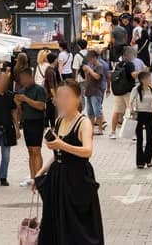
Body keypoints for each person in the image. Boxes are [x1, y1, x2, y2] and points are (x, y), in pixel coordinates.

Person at [35, 80, 104, 245]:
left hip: (78, 180)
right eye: (59, 96)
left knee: (78, 229)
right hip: (58, 178)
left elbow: (88, 151)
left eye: (67, 96)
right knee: (55, 224)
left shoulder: (83, 123)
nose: (63, 101)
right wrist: (42, 170)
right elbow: (58, 153)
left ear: (78, 99)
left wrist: (62, 145)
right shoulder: (59, 120)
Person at [15, 68, 48, 187]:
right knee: (30, 151)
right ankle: (32, 176)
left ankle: (38, 177)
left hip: (37, 121)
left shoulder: (39, 90)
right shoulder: (22, 90)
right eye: (21, 79)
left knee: (36, 150)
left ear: (30, 77)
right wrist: (18, 104)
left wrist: (26, 99)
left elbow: (41, 106)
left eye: (24, 78)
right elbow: (20, 111)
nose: (23, 81)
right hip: (27, 122)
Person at [109, 46, 141, 139]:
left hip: (119, 91)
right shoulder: (130, 64)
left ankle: (113, 132)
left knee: (117, 111)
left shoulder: (119, 64)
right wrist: (141, 72)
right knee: (132, 112)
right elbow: (133, 75)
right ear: (128, 54)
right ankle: (134, 134)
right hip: (128, 92)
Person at [130, 71, 152, 169]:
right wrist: (132, 111)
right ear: (142, 80)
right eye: (148, 78)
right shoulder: (136, 89)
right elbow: (131, 102)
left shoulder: (151, 89)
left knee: (149, 138)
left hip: (149, 114)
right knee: (140, 139)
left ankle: (148, 160)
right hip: (139, 114)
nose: (150, 80)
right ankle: (140, 161)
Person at [81, 51, 109, 134]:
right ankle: (91, 129)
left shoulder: (99, 66)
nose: (89, 60)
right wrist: (85, 87)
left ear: (95, 57)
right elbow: (87, 78)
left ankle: (100, 129)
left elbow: (97, 77)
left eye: (90, 58)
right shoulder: (91, 65)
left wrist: (89, 70)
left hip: (96, 91)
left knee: (97, 111)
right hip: (89, 91)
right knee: (90, 112)